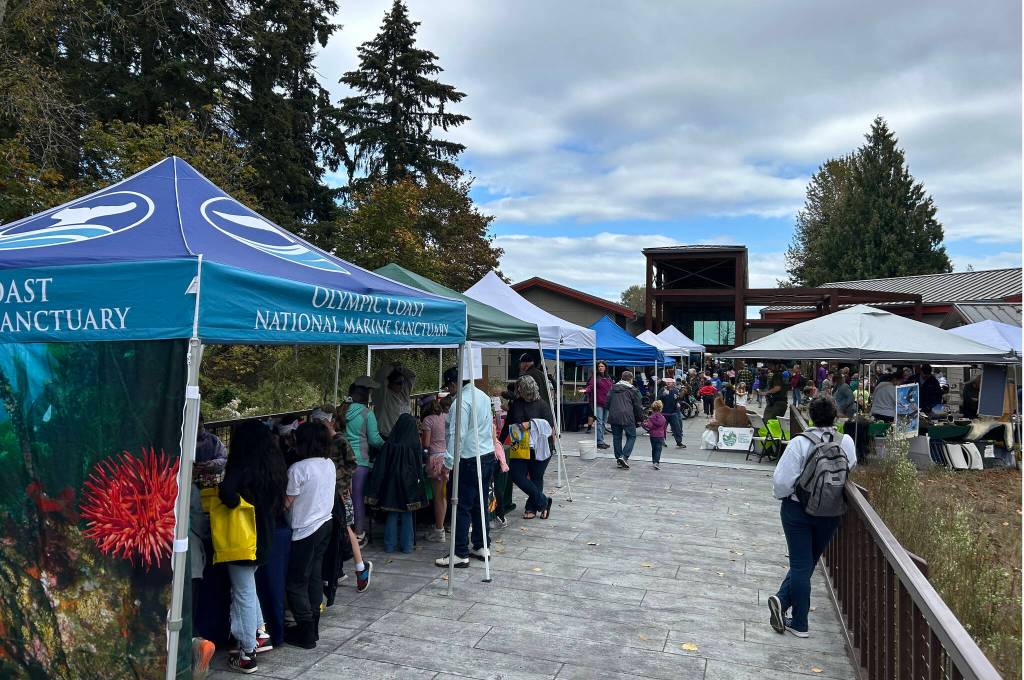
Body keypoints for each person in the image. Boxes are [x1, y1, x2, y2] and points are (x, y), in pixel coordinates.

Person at [768, 396, 857, 639]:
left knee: (799, 565)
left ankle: (800, 623)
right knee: (808, 562)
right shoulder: (845, 441)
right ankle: (782, 601)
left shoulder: (799, 443)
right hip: (830, 512)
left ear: (810, 417)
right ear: (836, 416)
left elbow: (782, 482)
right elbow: (851, 466)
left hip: (798, 510)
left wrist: (786, 497)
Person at [218, 421, 287, 673]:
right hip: (266, 536)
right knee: (248, 586)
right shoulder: (273, 467)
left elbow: (226, 492)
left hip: (243, 539)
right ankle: (259, 632)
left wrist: (236, 501)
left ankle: (247, 652)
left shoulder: (241, 466)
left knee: (243, 591)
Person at [435, 366, 497, 568]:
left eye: (449, 386)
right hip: (486, 455)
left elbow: (456, 436)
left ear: (454, 383)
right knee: (480, 504)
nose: (449, 390)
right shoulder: (483, 396)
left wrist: (448, 463)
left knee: (461, 506)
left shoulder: (460, 403)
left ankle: (460, 552)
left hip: (468, 458)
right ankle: (481, 544)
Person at [283, 422, 336, 649]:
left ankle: (304, 630)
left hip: (304, 530)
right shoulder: (329, 464)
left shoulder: (297, 469)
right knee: (314, 576)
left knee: (295, 582)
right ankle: (313, 626)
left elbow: (286, 503)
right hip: (325, 523)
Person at [317, 408, 372, 606]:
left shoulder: (340, 440)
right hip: (325, 492)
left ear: (331, 421)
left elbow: (352, 464)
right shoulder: (320, 440)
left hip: (339, 492)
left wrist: (340, 481)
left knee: (345, 528)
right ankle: (337, 570)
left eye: (321, 421)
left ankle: (360, 567)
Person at [365, 413, 429, 554]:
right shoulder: (414, 444)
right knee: (407, 514)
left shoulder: (390, 444)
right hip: (408, 484)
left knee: (392, 513)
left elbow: (381, 466)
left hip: (391, 484)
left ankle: (389, 545)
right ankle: (407, 546)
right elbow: (419, 465)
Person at [337, 377, 385, 546]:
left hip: (341, 461)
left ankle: (343, 532)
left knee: (342, 498)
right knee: (357, 498)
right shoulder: (367, 414)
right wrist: (387, 444)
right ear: (366, 395)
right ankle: (359, 534)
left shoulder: (342, 410)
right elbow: (374, 440)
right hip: (360, 462)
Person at [500, 375, 556, 520]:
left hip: (540, 447)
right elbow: (508, 424)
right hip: (520, 446)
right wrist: (499, 443)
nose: (521, 393)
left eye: (523, 391)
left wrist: (531, 424)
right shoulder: (516, 403)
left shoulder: (542, 404)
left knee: (536, 477)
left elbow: (549, 425)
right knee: (516, 475)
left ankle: (531, 508)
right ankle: (544, 501)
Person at [420, 398, 449, 542]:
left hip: (434, 460)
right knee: (443, 494)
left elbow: (425, 443)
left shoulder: (427, 421)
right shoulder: (445, 417)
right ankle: (440, 527)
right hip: (446, 458)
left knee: (438, 497)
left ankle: (439, 530)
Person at [607, 370, 644, 470]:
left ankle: (619, 459)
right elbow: (638, 406)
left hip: (614, 415)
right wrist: (641, 418)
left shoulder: (613, 388)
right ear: (631, 379)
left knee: (617, 437)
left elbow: (607, 401)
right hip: (628, 416)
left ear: (622, 378)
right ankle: (624, 457)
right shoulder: (633, 390)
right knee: (631, 436)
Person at [373, 363, 416, 437]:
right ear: (389, 383)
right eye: (398, 383)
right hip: (388, 436)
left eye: (402, 382)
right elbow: (379, 376)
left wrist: (399, 369)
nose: (402, 385)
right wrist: (391, 367)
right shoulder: (384, 396)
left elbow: (412, 375)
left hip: (404, 435)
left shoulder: (404, 392)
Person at [580, 360, 614, 450]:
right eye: (599, 366)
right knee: (599, 422)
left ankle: (601, 440)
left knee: (603, 422)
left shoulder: (608, 378)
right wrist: (585, 390)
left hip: (607, 403)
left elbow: (611, 389)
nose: (600, 368)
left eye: (602, 366)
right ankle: (599, 441)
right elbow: (590, 387)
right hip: (598, 403)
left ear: (605, 367)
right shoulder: (595, 377)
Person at [657, 380, 685, 448]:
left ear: (673, 383)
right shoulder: (662, 390)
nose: (668, 383)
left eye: (670, 382)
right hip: (664, 412)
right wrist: (663, 394)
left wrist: (678, 402)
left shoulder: (675, 390)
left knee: (677, 428)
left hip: (673, 413)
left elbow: (678, 398)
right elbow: (658, 399)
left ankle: (679, 442)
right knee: (662, 428)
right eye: (667, 382)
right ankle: (661, 441)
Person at [643, 400, 667, 470]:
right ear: (661, 408)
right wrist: (664, 436)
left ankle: (654, 462)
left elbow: (649, 426)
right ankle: (657, 462)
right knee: (658, 449)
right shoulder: (663, 418)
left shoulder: (651, 418)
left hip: (653, 436)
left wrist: (644, 423)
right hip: (660, 436)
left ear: (652, 408)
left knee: (654, 449)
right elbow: (664, 427)